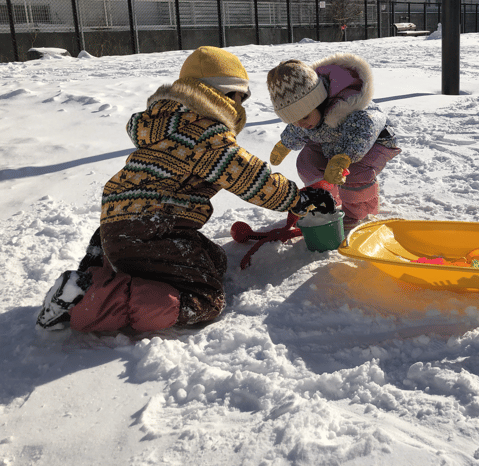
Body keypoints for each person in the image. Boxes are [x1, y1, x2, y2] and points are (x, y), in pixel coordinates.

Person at [36, 46, 335, 333]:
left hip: (122, 224)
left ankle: (103, 266)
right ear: (218, 95)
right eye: (237, 98)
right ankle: (89, 300)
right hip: (150, 229)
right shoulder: (203, 132)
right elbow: (248, 176)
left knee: (214, 261)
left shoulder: (166, 124)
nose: (240, 108)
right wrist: (297, 198)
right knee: (204, 297)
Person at [266, 53, 400, 230]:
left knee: (353, 172)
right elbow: (298, 128)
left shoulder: (349, 105)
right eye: (294, 119)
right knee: (307, 162)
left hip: (373, 142)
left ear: (318, 101)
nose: (301, 123)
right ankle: (328, 199)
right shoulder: (306, 117)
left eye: (304, 116)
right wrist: (285, 144)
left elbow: (365, 128)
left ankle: (357, 212)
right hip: (333, 142)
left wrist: (344, 157)